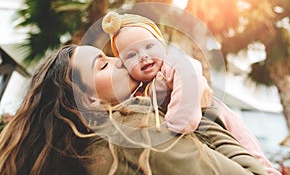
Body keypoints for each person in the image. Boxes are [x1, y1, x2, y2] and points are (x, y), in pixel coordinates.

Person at [0, 45, 267, 175]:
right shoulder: (132, 132)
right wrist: (202, 110)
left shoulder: (80, 150)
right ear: (86, 100)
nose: (120, 62)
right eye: (102, 65)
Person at [102, 11, 281, 175]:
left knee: (247, 148)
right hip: (196, 140)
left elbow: (189, 80)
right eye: (131, 55)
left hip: (216, 118)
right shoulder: (139, 93)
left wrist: (178, 121)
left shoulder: (173, 65)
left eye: (149, 46)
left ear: (162, 45)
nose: (142, 56)